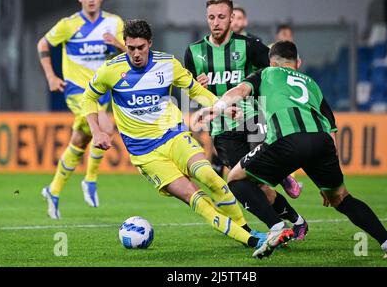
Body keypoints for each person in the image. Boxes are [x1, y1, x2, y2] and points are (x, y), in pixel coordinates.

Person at [197, 40, 387, 259]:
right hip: (322, 143)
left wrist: (218, 107)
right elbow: (331, 127)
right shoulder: (311, 83)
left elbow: (240, 90)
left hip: (287, 140)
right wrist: (329, 179)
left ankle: (276, 227)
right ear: (298, 62)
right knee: (341, 197)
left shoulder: (267, 73)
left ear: (272, 62)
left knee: (236, 178)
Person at [82, 19, 266, 252]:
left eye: (141, 47)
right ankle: (251, 240)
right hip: (145, 153)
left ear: (150, 43)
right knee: (195, 197)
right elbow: (88, 97)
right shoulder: (111, 70)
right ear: (125, 45)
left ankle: (247, 231)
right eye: (130, 48)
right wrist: (96, 130)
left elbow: (195, 89)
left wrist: (220, 105)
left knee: (211, 177)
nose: (136, 54)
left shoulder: (167, 64)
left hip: (174, 136)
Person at [184, 0, 307, 239]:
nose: (215, 22)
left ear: (231, 18)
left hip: (252, 120)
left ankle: (279, 208)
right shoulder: (194, 52)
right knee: (251, 184)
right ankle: (294, 221)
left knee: (252, 174)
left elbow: (276, 69)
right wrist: (196, 87)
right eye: (211, 17)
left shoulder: (248, 46)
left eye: (221, 17)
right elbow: (189, 90)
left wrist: (291, 71)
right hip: (221, 130)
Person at [37, 0, 126, 219]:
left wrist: (116, 42)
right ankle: (91, 179)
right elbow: (42, 44)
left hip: (102, 91)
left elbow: (134, 51)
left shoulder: (114, 22)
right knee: (106, 126)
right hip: (77, 91)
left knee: (79, 143)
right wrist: (51, 77)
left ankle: (53, 190)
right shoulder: (69, 24)